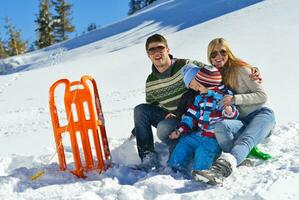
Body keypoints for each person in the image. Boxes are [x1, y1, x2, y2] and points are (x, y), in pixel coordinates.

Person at [192, 38, 276, 185]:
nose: (218, 56)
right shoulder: (215, 75)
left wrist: (235, 99)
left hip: (262, 114)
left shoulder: (241, 69)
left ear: (229, 53)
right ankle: (238, 159)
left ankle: (220, 170)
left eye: (222, 52)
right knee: (221, 126)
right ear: (209, 57)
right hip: (242, 119)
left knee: (246, 139)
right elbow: (192, 69)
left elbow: (262, 96)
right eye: (213, 54)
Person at [132, 34, 209, 170]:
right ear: (148, 55)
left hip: (193, 116)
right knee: (140, 109)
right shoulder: (151, 81)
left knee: (163, 128)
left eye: (160, 47)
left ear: (167, 49)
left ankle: (184, 146)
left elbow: (212, 72)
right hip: (171, 118)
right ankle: (148, 157)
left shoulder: (185, 66)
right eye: (152, 50)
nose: (157, 52)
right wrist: (137, 129)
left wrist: (248, 72)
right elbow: (152, 108)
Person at [167, 64, 239, 177]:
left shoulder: (224, 97)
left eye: (199, 86)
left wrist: (229, 111)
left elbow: (234, 114)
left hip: (213, 137)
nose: (197, 89)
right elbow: (191, 116)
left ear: (209, 85)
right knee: (184, 143)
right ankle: (174, 169)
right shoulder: (199, 98)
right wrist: (180, 130)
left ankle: (201, 173)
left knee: (203, 152)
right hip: (198, 133)